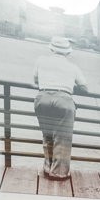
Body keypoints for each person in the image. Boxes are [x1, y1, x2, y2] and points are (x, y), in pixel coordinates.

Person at [30, 37, 85, 181]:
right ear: (67, 53)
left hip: (42, 98)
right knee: (62, 138)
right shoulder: (73, 67)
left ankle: (47, 168)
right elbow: (85, 87)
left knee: (47, 135)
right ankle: (58, 173)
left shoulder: (41, 60)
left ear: (51, 49)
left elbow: (35, 81)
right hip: (63, 100)